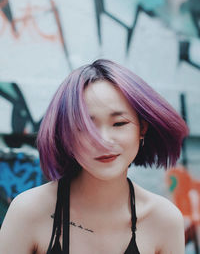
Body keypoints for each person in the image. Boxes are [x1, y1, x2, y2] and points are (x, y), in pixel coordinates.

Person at [0, 59, 189, 254]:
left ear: (142, 128)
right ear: (66, 135)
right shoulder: (29, 212)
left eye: (119, 123)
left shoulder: (163, 220)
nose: (103, 140)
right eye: (85, 128)